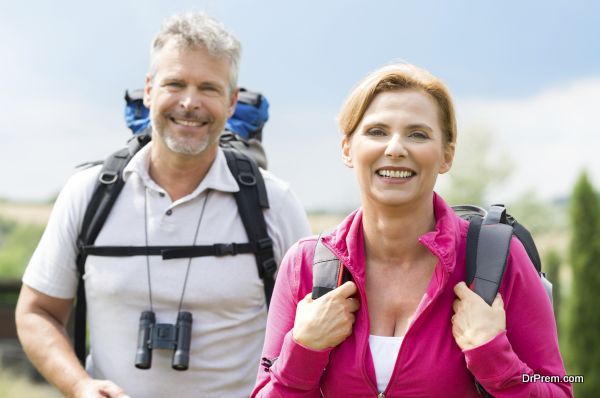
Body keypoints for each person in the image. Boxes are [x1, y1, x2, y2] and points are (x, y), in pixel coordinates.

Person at [15, 12, 311, 398]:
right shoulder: (87, 194)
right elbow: (37, 312)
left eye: (209, 87)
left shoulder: (275, 203)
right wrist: (80, 386)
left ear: (232, 101)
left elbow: (314, 329)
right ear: (150, 90)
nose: (190, 103)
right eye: (175, 84)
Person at [251, 63, 572, 397]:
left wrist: (494, 356)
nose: (395, 148)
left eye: (418, 134)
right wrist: (303, 351)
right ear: (347, 148)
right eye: (376, 131)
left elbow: (559, 391)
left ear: (446, 155)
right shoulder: (305, 265)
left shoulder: (498, 261)